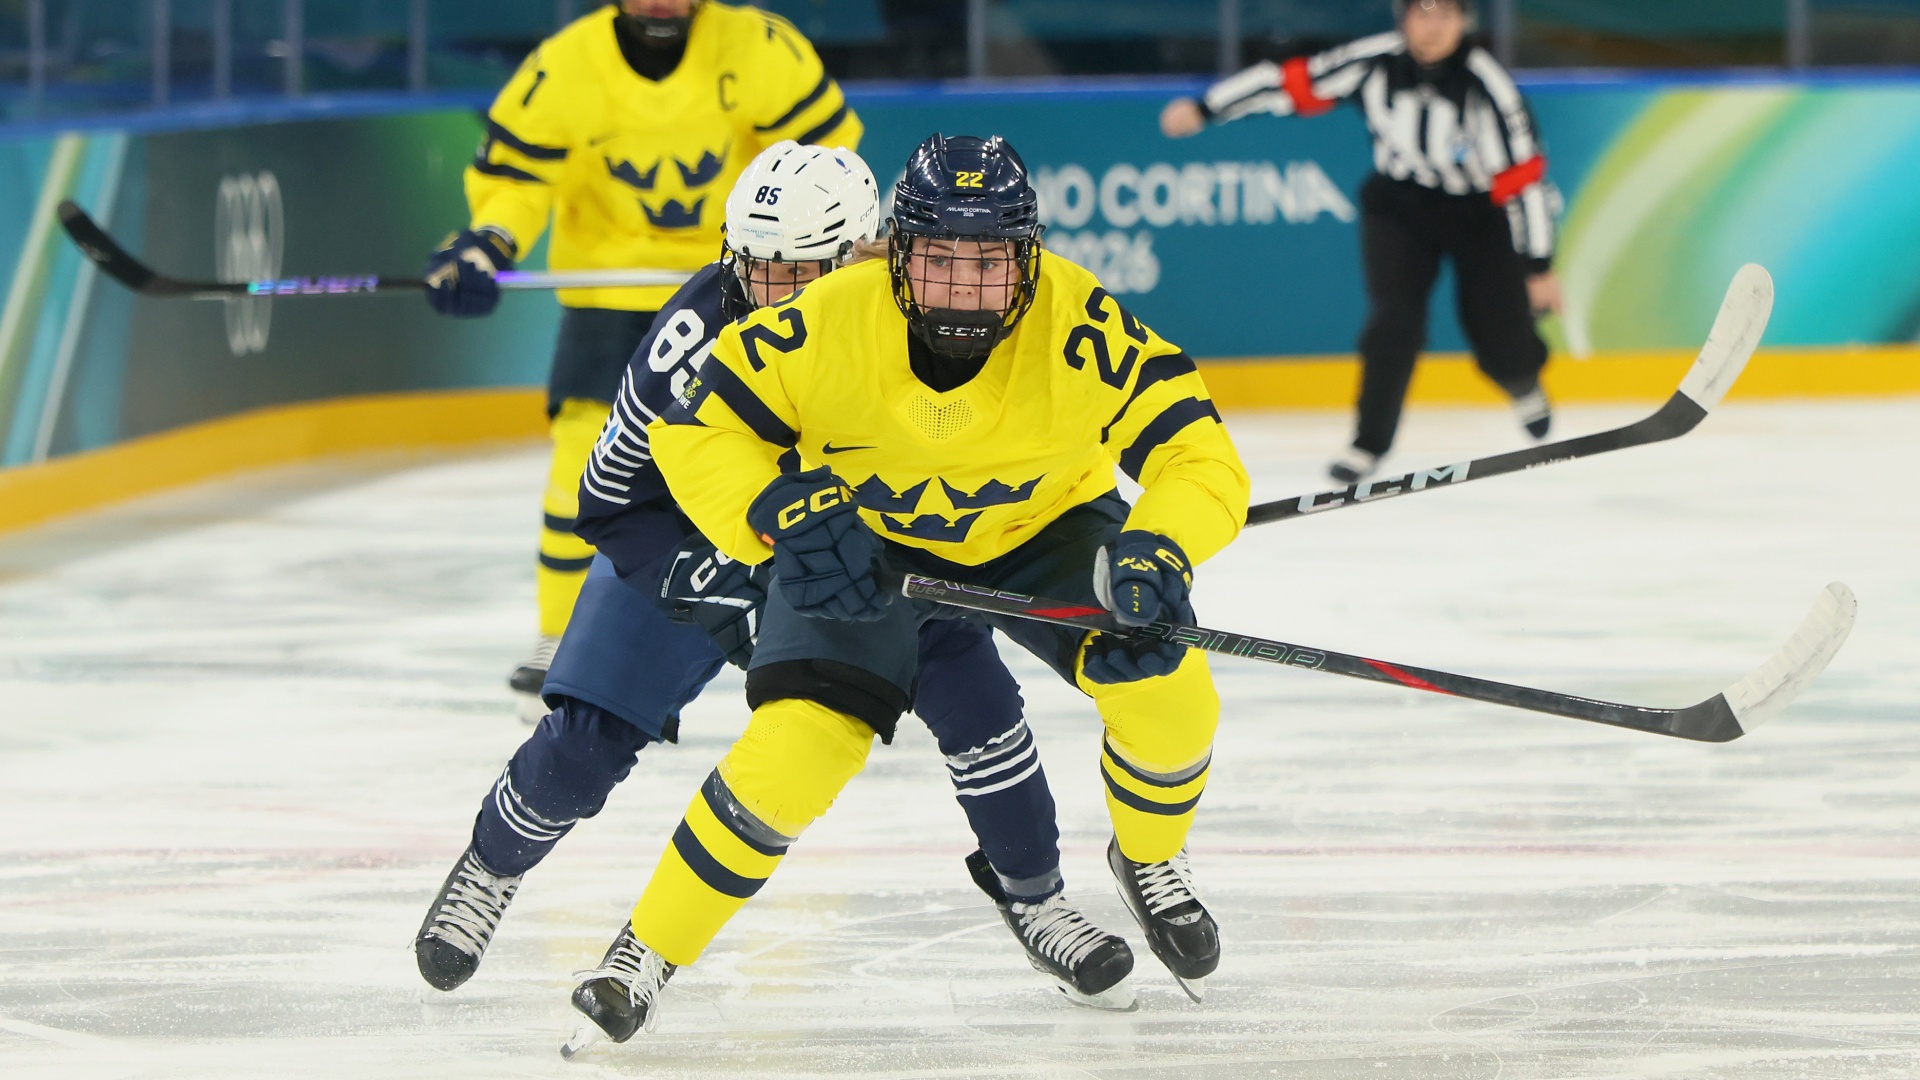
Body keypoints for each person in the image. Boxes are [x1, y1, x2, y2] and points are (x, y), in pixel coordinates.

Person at [561, 133, 1251, 1052]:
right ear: (896, 257)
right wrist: (773, 512)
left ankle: (1151, 858)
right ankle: (644, 952)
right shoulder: (829, 320)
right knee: (799, 746)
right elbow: (699, 428)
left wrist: (1161, 544)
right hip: (864, 548)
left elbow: (1193, 444)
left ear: (1028, 257)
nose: (962, 289)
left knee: (1163, 680)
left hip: (1038, 531)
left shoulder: (1078, 320)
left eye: (987, 262)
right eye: (938, 260)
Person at [413, 141, 1137, 1014]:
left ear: (869, 254)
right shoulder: (691, 335)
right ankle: (491, 865)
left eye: (802, 275)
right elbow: (608, 503)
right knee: (584, 742)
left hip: (857, 550)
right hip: (693, 537)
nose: (774, 296)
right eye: (759, 270)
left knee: (976, 699)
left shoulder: (915, 318)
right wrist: (710, 573)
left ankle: (1036, 895)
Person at [422, 0, 863, 720]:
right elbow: (517, 180)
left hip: (741, 290)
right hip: (608, 298)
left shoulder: (760, 46)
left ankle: (830, 621)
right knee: (582, 466)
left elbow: (826, 164)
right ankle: (559, 637)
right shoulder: (563, 66)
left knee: (803, 459)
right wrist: (487, 244)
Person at [1161, 0, 1562, 483]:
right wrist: (1207, 108)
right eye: (1423, 12)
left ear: (1464, 23)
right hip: (1400, 209)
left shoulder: (1488, 85)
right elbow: (1292, 82)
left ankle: (1521, 380)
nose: (1433, 27)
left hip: (1478, 214)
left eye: (1446, 15)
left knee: (1500, 336)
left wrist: (1538, 266)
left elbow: (1524, 179)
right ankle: (1368, 442)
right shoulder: (1374, 61)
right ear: (1404, 19)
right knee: (1393, 321)